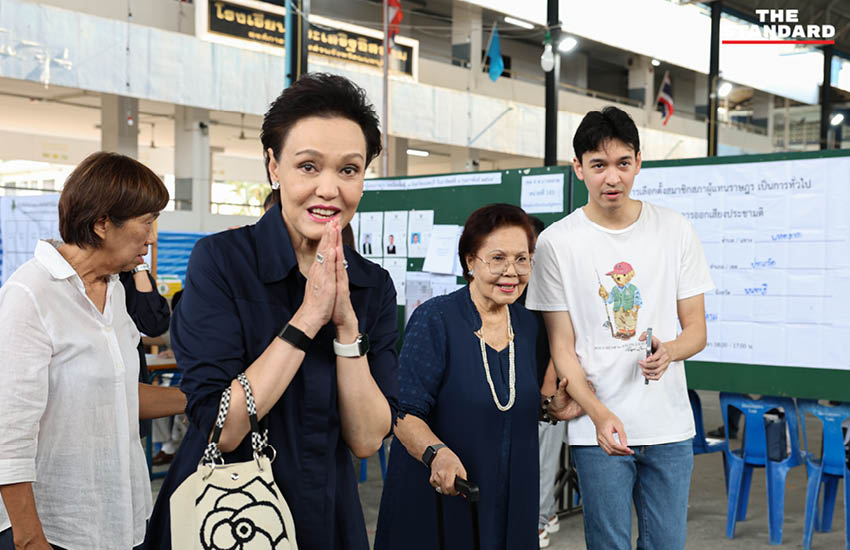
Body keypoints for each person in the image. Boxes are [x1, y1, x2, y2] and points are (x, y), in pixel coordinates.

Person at [142, 73, 399, 550]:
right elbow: (222, 427)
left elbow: (366, 440)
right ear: (273, 167)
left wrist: (345, 325)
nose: (329, 189)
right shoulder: (221, 262)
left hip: (326, 513)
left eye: (349, 169)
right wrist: (307, 318)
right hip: (223, 511)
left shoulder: (371, 286)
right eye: (308, 166)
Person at [525, 106, 714, 550]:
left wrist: (669, 351)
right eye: (599, 165)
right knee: (607, 544)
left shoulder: (675, 230)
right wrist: (598, 413)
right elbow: (562, 346)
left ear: (638, 162)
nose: (612, 178)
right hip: (596, 426)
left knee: (666, 543)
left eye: (623, 164)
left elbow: (697, 331)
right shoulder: (556, 242)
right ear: (578, 168)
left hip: (668, 426)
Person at [0, 151, 187, 550]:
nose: (153, 237)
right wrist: (30, 539)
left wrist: (209, 399)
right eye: (147, 222)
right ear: (102, 224)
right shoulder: (30, 294)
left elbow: (118, 393)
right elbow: (9, 433)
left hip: (122, 520)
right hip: (56, 528)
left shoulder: (114, 291)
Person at [374, 204, 581, 550]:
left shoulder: (527, 325)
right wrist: (436, 454)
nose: (511, 272)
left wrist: (547, 407)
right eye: (497, 258)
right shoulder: (435, 319)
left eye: (522, 259)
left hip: (512, 495)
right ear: (470, 262)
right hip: (447, 493)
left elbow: (505, 400)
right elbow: (403, 413)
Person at [120, 260, 171, 443]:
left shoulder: (132, 276)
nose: (150, 239)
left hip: (132, 386)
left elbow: (154, 325)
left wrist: (139, 268)